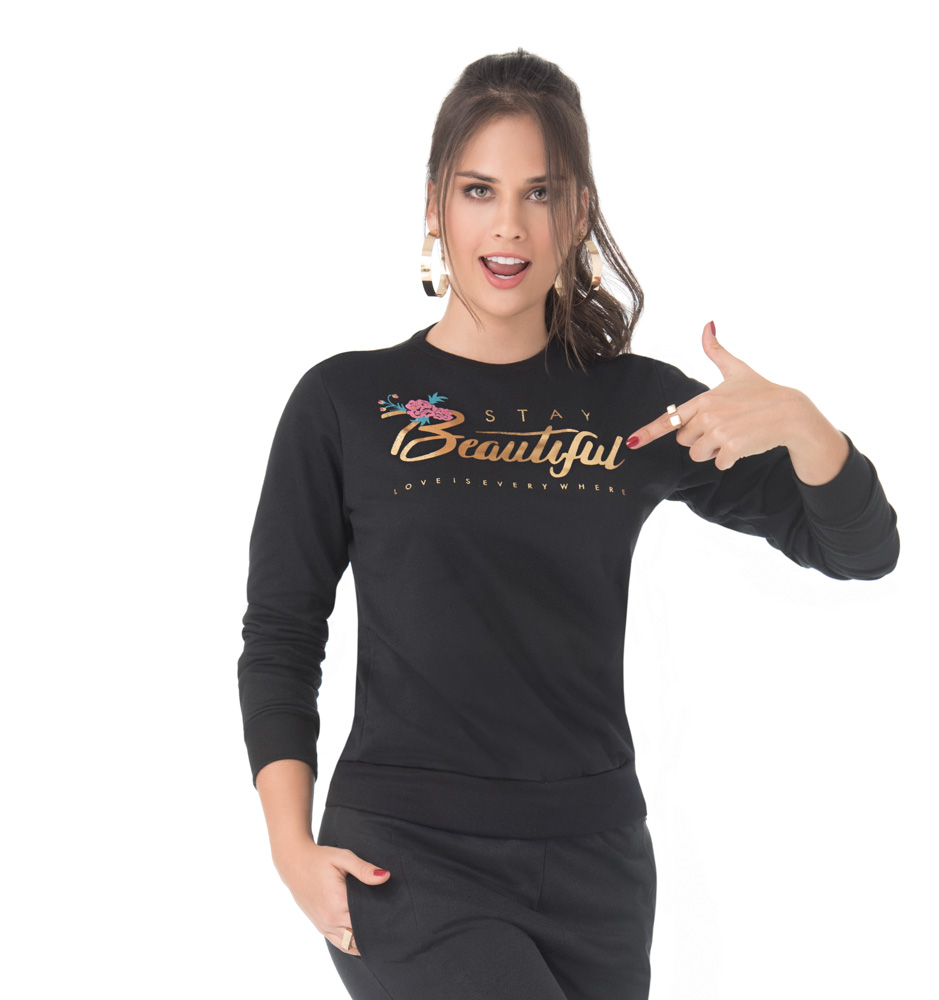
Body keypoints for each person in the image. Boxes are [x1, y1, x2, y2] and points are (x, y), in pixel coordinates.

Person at [236, 48, 899, 1000]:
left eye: (539, 193)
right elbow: (281, 634)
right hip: (408, 857)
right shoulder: (345, 402)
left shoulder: (636, 408)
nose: (508, 225)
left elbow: (860, 549)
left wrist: (803, 425)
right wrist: (288, 848)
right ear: (435, 207)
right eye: (478, 190)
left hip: (597, 868)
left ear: (578, 211)